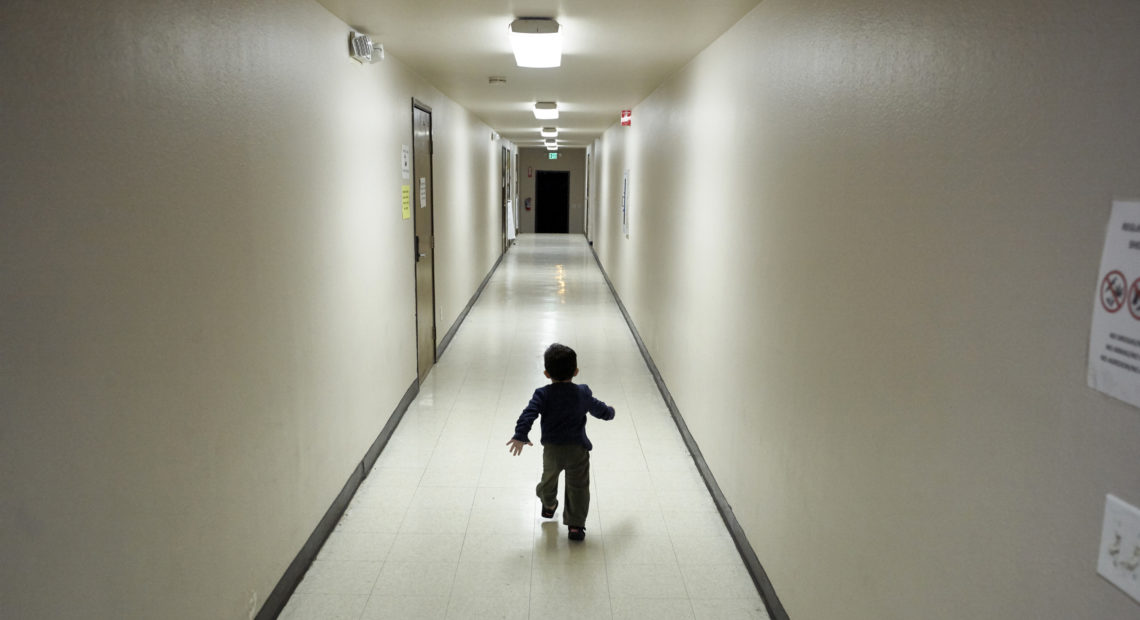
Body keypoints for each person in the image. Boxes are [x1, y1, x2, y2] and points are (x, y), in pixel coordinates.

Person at [506, 343, 615, 541]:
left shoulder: (543, 394)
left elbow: (528, 414)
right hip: (577, 450)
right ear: (576, 371)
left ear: (547, 373)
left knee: (548, 482)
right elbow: (598, 408)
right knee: (579, 489)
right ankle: (572, 521)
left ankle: (555, 509)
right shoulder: (582, 392)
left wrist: (521, 434)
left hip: (553, 450)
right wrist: (609, 412)